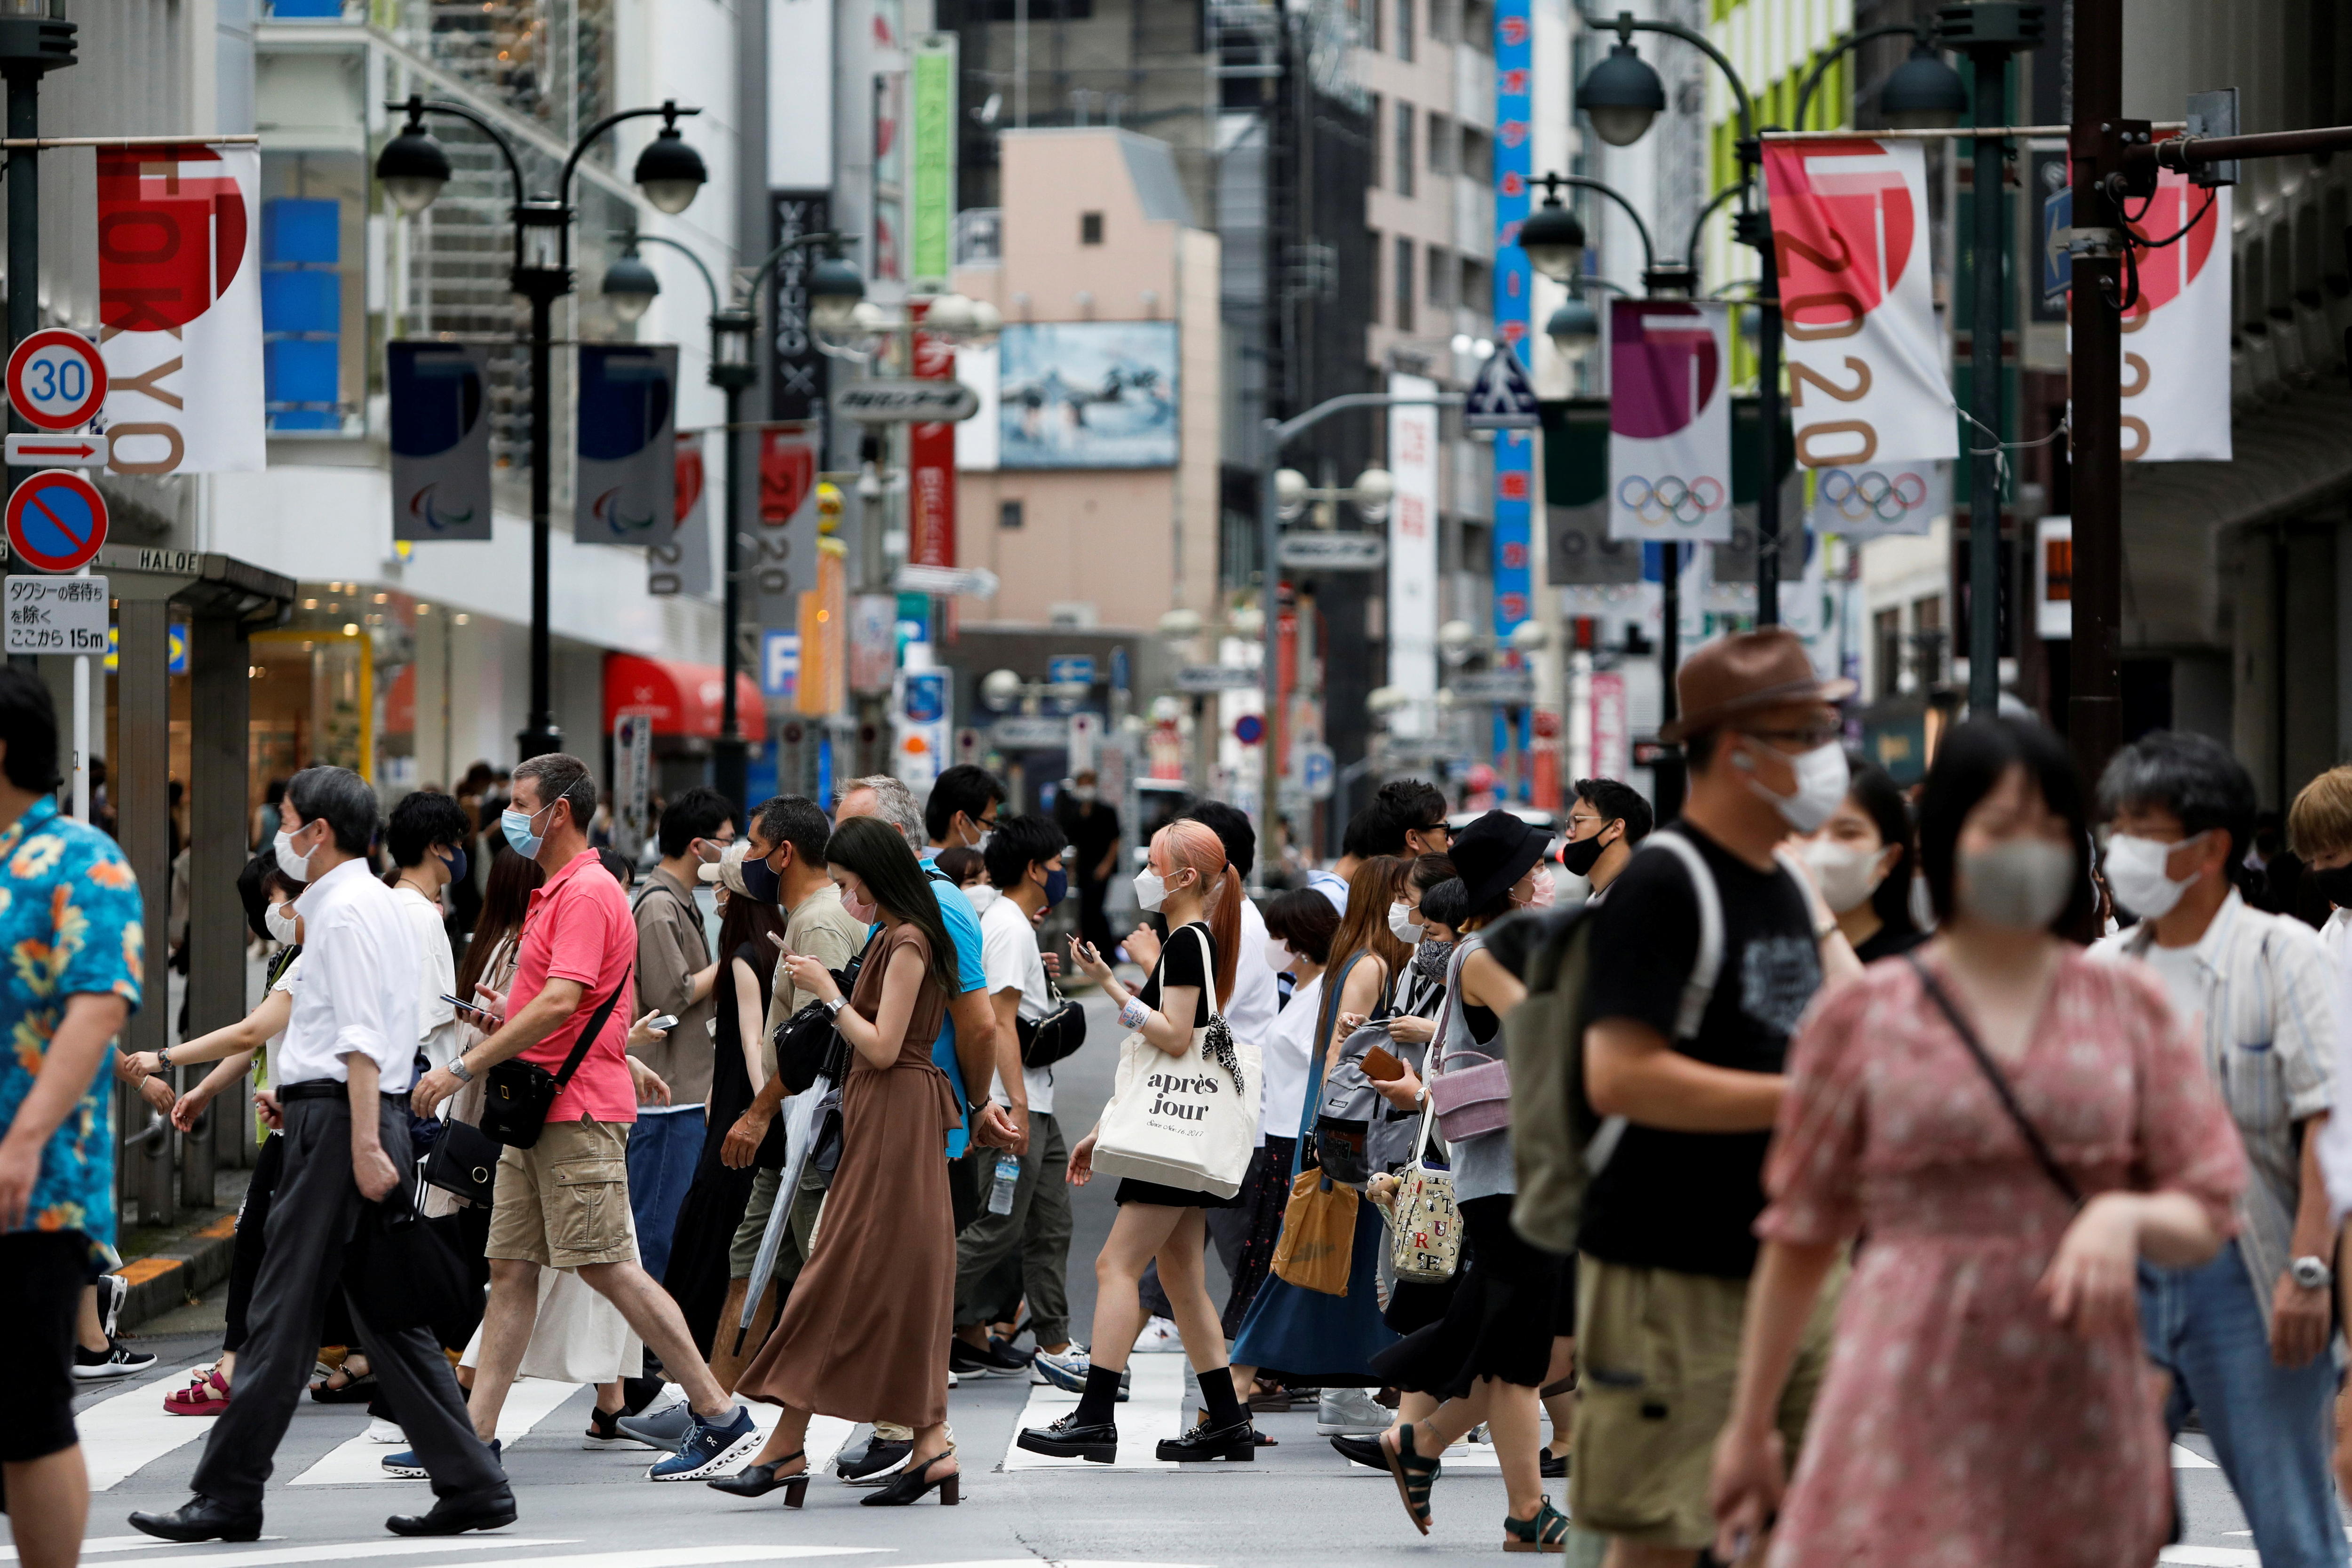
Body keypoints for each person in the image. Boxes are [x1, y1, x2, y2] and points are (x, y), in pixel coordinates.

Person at [1709, 717, 2249, 1568]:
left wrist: (2124, 1217)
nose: (2026, 847)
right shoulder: (1863, 1014)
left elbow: (2211, 1202)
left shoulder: (2129, 1006)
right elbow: (1802, 1232)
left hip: (2079, 1392)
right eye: (2001, 824)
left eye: (2048, 825)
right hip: (1904, 1368)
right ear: (1947, 839)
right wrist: (1749, 1426)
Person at [135, 764, 510, 1543]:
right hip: (339, 1115)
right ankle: (473, 1480)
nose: (280, 834)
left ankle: (230, 1490)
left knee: (280, 1309)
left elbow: (361, 1036)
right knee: (387, 1317)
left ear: (319, 831)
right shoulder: (364, 903)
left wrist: (363, 1134)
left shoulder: (341, 912)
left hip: (342, 1126)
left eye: (286, 819)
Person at [1568, 628, 1862, 1568]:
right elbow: (1616, 1073)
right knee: (1661, 1532)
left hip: (1788, 1260)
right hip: (1669, 1268)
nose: (1830, 752)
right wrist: (1801, 1099)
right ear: (1738, 748)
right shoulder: (1666, 880)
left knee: (1806, 1521)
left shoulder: (1781, 879)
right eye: (1810, 730)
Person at [406, 753, 756, 1487]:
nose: (510, 818)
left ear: (557, 811)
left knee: (607, 1265)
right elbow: (569, 1006)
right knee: (510, 1271)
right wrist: (504, 1012)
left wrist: (462, 1067)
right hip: (541, 1112)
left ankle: (722, 1415)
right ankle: (477, 1438)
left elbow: (564, 1002)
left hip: (573, 1113)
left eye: (520, 804)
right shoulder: (558, 891)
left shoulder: (588, 892)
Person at [2089, 731, 2344, 1567]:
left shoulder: (2287, 956)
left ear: (2211, 847)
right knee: (2099, 1519)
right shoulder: (2103, 971)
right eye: (2114, 827)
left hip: (2252, 1273)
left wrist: (2309, 1271)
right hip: (2124, 1280)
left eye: (2144, 829)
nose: (2120, 849)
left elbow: (2328, 1125)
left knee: (2292, 1526)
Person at [711, 815, 967, 1507]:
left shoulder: (909, 939)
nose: (848, 897)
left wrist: (827, 990)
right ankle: (926, 1445)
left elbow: (883, 1045)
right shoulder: (898, 935)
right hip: (889, 1116)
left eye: (852, 884)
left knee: (837, 1272)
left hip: (897, 1113)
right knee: (890, 1280)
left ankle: (791, 1445)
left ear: (877, 876)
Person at [1018, 819, 1259, 1465]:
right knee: (1181, 1277)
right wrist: (1103, 1129)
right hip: (1177, 1131)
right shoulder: (1196, 940)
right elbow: (1161, 1060)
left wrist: (1109, 988)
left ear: (1185, 877)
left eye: (1154, 863)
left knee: (1115, 1266)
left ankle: (1096, 1416)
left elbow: (1175, 1038)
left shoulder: (1187, 942)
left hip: (1173, 1139)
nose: (1143, 873)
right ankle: (1227, 1424)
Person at [1370, 813, 1570, 1552]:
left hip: (1524, 1174)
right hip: (1510, 1178)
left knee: (1509, 1346)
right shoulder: (1483, 954)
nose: (1542, 872)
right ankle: (1525, 1510)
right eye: (1532, 864)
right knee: (1518, 1353)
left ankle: (1427, 1445)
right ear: (1507, 881)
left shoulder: (1497, 947)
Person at [0, 668, 142, 1568]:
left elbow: (101, 1004)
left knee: (25, 1405)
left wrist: (22, 1137)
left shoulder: (84, 860)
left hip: (33, 1187)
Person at [1228, 862, 1402, 1435]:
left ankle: (1344, 1394)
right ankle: (1230, 1393)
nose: (1414, 909)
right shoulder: (1371, 965)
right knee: (1306, 1267)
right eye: (1405, 895)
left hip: (1338, 1136)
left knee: (1337, 1270)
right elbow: (1338, 1058)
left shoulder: (1353, 962)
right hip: (1348, 1139)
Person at [134, 858, 303, 1417]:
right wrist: (203, 1089)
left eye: (280, 900)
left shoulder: (321, 953)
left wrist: (165, 1058)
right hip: (304, 1118)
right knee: (302, 1246)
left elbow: (253, 1031)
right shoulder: (299, 954)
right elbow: (258, 1040)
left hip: (314, 1122)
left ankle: (239, 1366)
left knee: (264, 1239)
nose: (273, 915)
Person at [1122, 799, 1286, 1362]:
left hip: (1219, 1111)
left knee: (1238, 1259)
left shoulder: (1211, 932)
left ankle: (1258, 1368)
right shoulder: (1210, 927)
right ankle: (1225, 1389)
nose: (1145, 875)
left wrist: (1136, 973)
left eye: (1155, 860)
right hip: (1201, 1110)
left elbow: (1187, 1023)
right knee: (1177, 1258)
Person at [953, 812, 1078, 1379]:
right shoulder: (1008, 926)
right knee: (997, 1227)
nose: (1061, 875)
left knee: (1051, 1225)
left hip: (1036, 1105)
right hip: (1012, 1107)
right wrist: (1017, 1108)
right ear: (1033, 869)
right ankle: (904, 1321)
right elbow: (999, 1023)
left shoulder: (1016, 926)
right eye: (1055, 866)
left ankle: (1054, 1344)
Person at [840, 774, 1021, 1161]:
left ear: (893, 835)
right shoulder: (899, 902)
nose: (837, 847)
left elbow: (980, 1024)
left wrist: (976, 1108)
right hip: (895, 1121)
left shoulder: (935, 906)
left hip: (929, 1129)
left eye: (851, 833)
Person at [628, 787, 735, 1282]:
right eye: (727, 842)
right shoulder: (657, 906)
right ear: (699, 847)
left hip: (683, 1092)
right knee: (655, 1229)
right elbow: (670, 995)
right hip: (666, 1097)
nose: (731, 853)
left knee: (668, 1224)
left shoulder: (677, 901)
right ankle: (644, 1353)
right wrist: (733, 962)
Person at [1794, 753, 1925, 963]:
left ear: (1888, 858)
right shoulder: (1764, 957)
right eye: (1807, 830)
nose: (1821, 847)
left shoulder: (1920, 965)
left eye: (1848, 833)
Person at [385, 792, 472, 1074]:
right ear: (436, 846)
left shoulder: (386, 905)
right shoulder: (424, 917)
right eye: (457, 842)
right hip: (423, 1086)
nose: (461, 851)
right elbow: (429, 1022)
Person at [1054, 770, 1121, 955]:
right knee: (1084, 912)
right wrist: (1072, 870)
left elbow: (1115, 841)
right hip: (1084, 866)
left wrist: (1106, 865)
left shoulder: (1106, 810)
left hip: (1101, 867)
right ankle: (1090, 951)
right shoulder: (1074, 812)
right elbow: (1074, 844)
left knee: (1097, 909)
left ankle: (1107, 952)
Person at [1563, 777, 1653, 897]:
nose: (1569, 833)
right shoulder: (1600, 899)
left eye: (1578, 821)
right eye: (1569, 824)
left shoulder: (1640, 901)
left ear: (1616, 828)